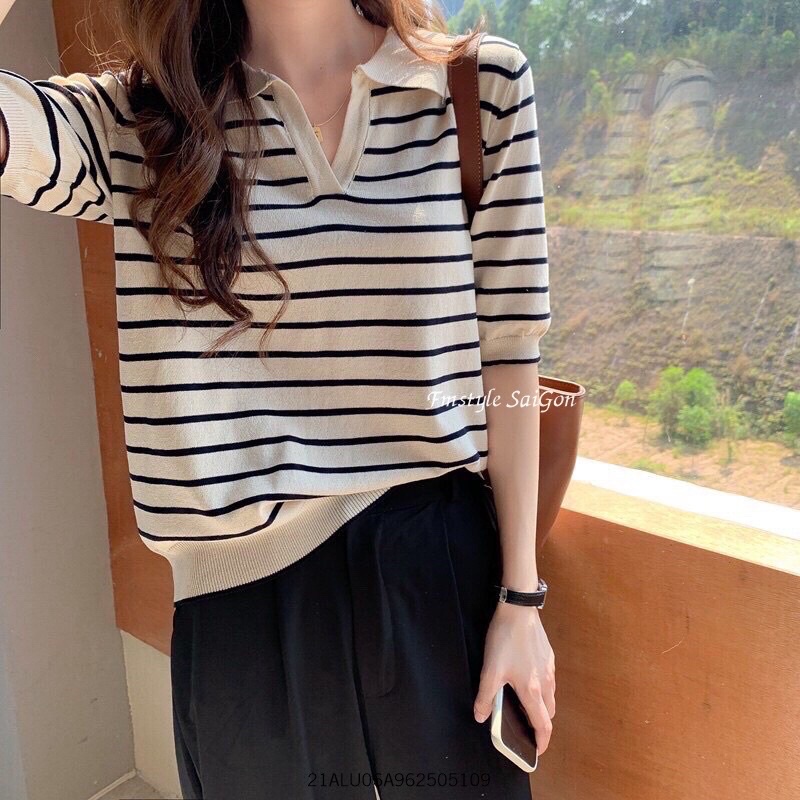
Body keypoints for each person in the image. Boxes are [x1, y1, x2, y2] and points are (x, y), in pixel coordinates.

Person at [0, 0, 555, 796]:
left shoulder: (478, 89)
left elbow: (511, 354)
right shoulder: (135, 123)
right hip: (239, 610)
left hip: (438, 578)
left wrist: (520, 598)